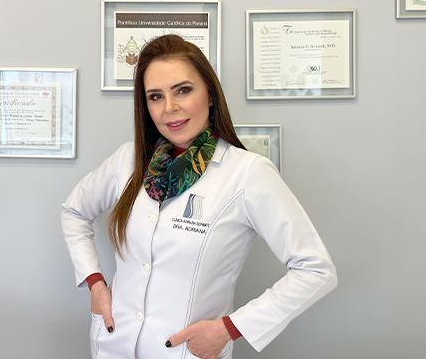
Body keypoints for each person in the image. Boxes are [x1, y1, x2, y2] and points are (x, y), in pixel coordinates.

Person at [61, 34, 337, 359]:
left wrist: (229, 328)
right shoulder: (129, 159)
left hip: (187, 352)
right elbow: (74, 211)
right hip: (112, 346)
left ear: (210, 94)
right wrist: (95, 282)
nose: (170, 108)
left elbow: (315, 270)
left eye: (183, 90)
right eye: (155, 96)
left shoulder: (248, 173)